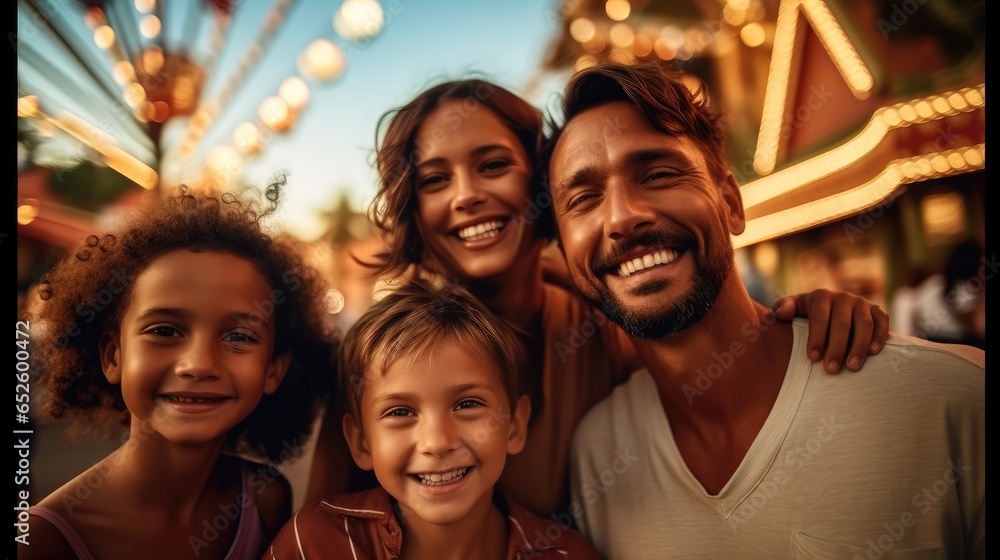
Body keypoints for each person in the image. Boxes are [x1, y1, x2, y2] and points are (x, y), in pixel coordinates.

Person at [306, 78, 893, 518]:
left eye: (492, 165)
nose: (465, 195)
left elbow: (713, 350)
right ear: (414, 208)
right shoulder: (381, 358)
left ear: (544, 189)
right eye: (434, 179)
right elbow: (324, 525)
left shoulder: (604, 317)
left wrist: (802, 319)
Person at [542, 61, 985, 558]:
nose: (622, 216)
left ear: (730, 203)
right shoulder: (597, 455)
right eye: (583, 198)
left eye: (659, 174)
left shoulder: (951, 399)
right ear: (563, 249)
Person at [18, 181, 338, 560]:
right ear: (113, 356)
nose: (199, 364)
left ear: (272, 370)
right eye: (165, 331)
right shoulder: (43, 540)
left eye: (239, 335)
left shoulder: (266, 498)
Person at [264, 278, 600, 559]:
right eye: (400, 412)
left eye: (468, 404)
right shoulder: (312, 543)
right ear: (361, 442)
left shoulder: (569, 555)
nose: (438, 442)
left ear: (514, 425)